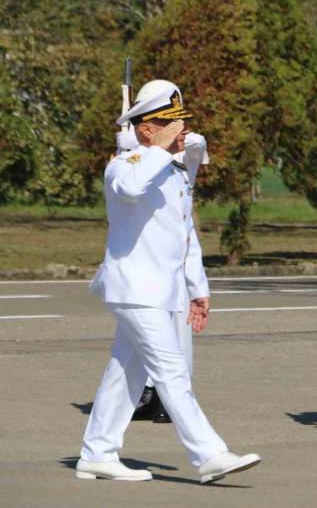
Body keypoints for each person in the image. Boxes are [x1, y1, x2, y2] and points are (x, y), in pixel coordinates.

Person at [78, 80, 260, 483]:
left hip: (161, 291)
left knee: (125, 372)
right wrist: (160, 149)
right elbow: (129, 188)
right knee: (172, 370)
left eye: (182, 123)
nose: (182, 131)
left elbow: (184, 236)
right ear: (146, 130)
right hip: (134, 289)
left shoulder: (173, 174)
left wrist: (198, 289)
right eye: (170, 123)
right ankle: (209, 454)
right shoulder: (124, 165)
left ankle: (97, 453)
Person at [118, 124, 210, 425]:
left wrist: (169, 138)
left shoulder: (184, 156)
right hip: (147, 260)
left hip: (175, 259)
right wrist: (131, 145)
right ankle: (147, 394)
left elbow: (196, 145)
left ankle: (170, 400)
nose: (180, 131)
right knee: (141, 341)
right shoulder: (142, 159)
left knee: (177, 335)